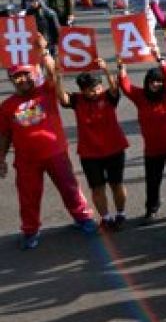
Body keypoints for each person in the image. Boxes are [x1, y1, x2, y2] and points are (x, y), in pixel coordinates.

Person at [0, 53, 97, 249]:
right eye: (17, 76)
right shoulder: (6, 106)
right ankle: (30, 230)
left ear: (34, 73)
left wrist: (43, 52)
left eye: (26, 74)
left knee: (70, 188)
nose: (22, 79)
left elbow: (54, 73)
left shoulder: (46, 90)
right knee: (28, 197)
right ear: (11, 80)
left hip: (56, 154)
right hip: (26, 161)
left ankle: (83, 218)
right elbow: (4, 135)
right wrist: (1, 158)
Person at [118, 55, 166, 224]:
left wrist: (161, 61)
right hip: (153, 149)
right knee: (153, 180)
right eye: (152, 81)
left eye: (159, 81)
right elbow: (126, 86)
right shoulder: (141, 97)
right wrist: (121, 67)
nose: (155, 84)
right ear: (147, 82)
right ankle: (152, 209)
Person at [56, 59, 130, 230]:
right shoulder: (78, 100)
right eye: (91, 90)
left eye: (98, 87)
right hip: (90, 153)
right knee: (97, 188)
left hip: (114, 149)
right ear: (83, 91)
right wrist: (58, 77)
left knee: (116, 184)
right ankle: (105, 217)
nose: (96, 91)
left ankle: (121, 213)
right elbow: (62, 97)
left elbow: (113, 88)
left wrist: (106, 70)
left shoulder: (108, 97)